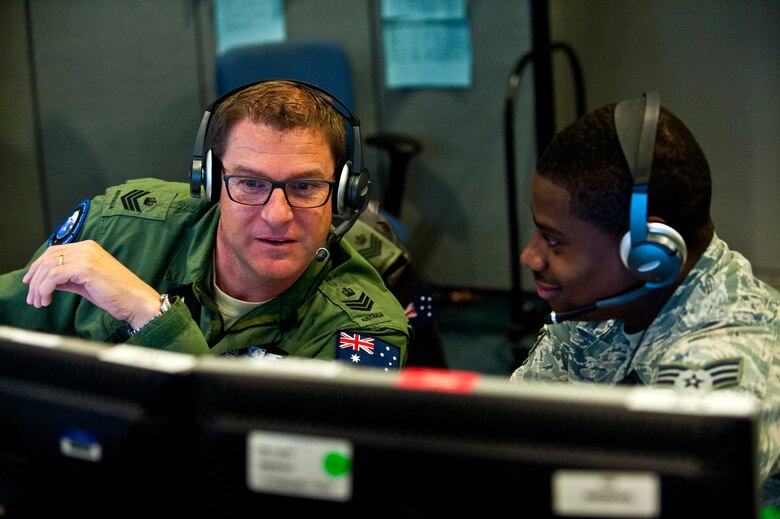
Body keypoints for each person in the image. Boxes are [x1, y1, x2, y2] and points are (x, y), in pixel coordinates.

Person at [0, 80, 410, 369]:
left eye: (304, 186)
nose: (277, 215)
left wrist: (153, 317)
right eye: (250, 183)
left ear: (342, 194)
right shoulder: (118, 228)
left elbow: (259, 466)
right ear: (211, 185)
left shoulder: (362, 331)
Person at [510, 91, 780, 506]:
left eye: (554, 241)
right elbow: (513, 428)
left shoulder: (728, 360)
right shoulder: (604, 305)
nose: (530, 256)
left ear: (649, 251)